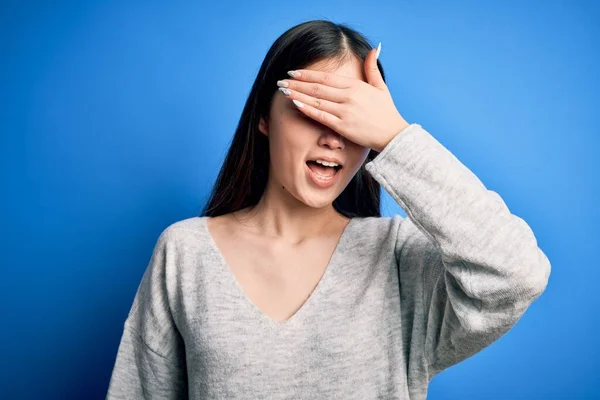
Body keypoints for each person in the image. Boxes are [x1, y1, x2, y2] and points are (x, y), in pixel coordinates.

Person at [106, 20, 551, 400]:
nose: (334, 136)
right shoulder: (185, 252)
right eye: (313, 107)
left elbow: (516, 273)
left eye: (351, 116)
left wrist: (396, 136)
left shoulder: (396, 259)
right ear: (264, 117)